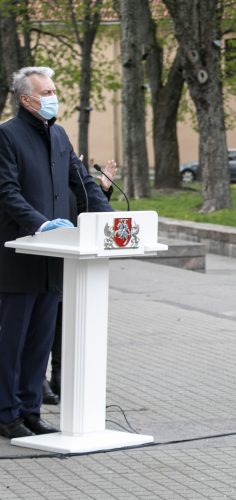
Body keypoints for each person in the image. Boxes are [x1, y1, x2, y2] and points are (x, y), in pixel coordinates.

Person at [0, 66, 113, 439]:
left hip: (55, 259)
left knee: (40, 342)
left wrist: (113, 220)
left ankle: (31, 411)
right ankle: (6, 414)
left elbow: (82, 184)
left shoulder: (59, 135)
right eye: (45, 92)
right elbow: (7, 192)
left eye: (53, 91)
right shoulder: (6, 136)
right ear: (25, 99)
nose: (52, 98)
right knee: (11, 343)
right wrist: (40, 224)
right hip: (17, 258)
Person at [42, 158, 117, 405]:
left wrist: (104, 189)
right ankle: (37, 378)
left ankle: (60, 376)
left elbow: (88, 212)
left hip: (71, 263)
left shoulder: (73, 185)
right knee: (43, 325)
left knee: (63, 325)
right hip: (40, 262)